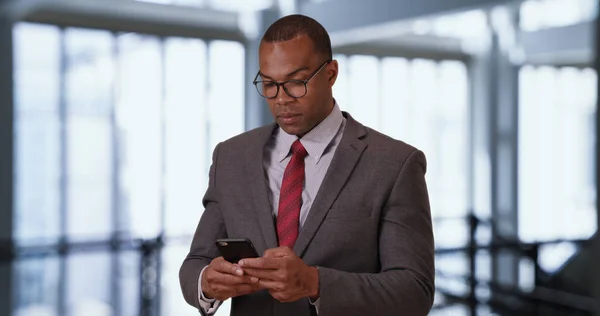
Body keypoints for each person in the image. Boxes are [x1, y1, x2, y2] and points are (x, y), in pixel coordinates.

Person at [179, 14, 435, 316]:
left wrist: (315, 282)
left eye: (295, 83)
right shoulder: (232, 157)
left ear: (331, 73)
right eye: (269, 84)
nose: (281, 99)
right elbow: (195, 264)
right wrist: (206, 282)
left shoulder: (395, 164)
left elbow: (414, 291)